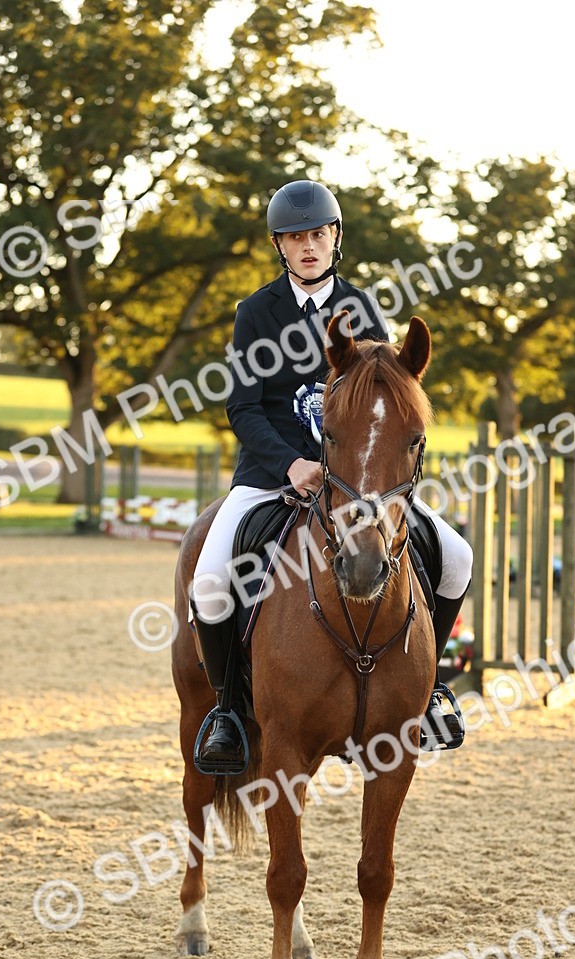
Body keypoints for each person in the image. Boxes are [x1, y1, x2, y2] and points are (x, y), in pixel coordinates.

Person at [191, 180, 472, 771]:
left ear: (335, 237)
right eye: (296, 238)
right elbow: (242, 407)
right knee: (211, 581)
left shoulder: (363, 309)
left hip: (358, 477)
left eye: (318, 234)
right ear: (280, 246)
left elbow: (386, 398)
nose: (308, 246)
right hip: (271, 475)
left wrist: (357, 469)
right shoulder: (255, 313)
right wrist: (290, 463)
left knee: (458, 556)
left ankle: (429, 690)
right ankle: (228, 710)